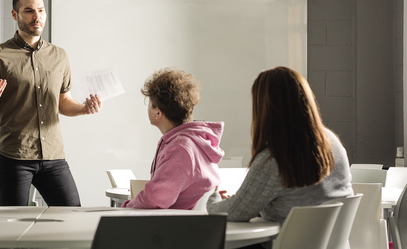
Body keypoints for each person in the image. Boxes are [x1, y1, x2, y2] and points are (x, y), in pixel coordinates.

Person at [0, 0, 102, 207]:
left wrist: (83, 108)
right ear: (15, 15)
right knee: (15, 227)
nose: (37, 16)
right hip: (13, 156)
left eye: (41, 10)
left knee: (72, 216)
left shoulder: (59, 55)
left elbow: (63, 102)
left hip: (53, 156)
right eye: (29, 11)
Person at [207, 66, 353, 225]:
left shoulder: (275, 159)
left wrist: (213, 199)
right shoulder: (332, 142)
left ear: (264, 108)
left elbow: (235, 213)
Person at [121, 68, 224, 210]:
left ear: (158, 113)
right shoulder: (195, 141)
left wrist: (126, 207)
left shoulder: (181, 148)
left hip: (178, 226)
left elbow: (155, 199)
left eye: (149, 103)